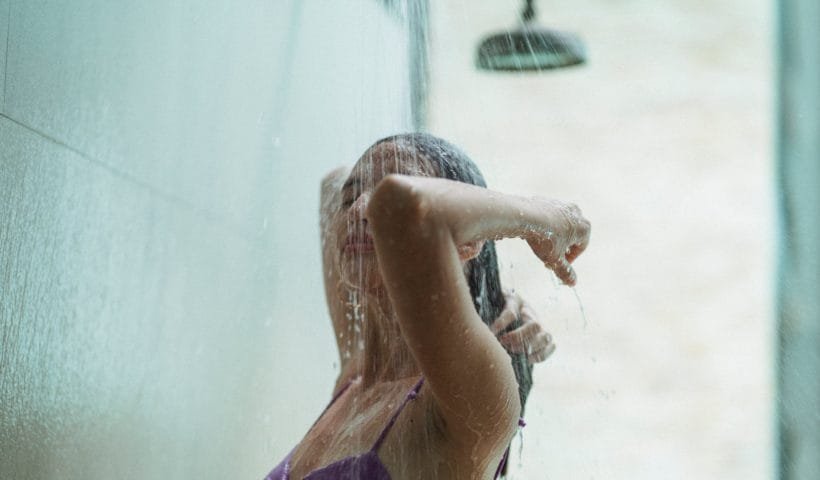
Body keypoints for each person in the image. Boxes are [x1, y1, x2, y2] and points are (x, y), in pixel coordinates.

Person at [266, 133, 590, 479]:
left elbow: (406, 207)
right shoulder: (358, 375)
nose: (362, 208)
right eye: (354, 196)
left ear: (468, 245)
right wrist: (490, 289)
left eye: (379, 197)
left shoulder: (470, 395)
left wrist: (544, 218)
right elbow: (333, 185)